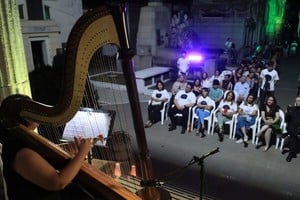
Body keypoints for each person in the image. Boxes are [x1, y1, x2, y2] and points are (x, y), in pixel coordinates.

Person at [0, 94, 104, 200]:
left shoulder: (23, 140)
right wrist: (82, 153)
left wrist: (77, 148)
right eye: (33, 110)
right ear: (25, 117)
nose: (38, 113)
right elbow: (58, 183)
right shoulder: (22, 152)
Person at [285, 96, 300, 162]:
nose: (298, 102)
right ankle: (291, 153)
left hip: (298, 128)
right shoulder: (292, 109)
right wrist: (287, 114)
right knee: (294, 135)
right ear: (295, 102)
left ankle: (291, 153)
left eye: (299, 101)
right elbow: (287, 120)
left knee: (293, 134)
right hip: (293, 128)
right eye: (297, 101)